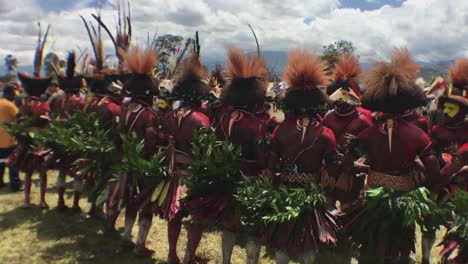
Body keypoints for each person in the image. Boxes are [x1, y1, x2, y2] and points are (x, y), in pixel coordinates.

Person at [342, 49, 443, 264]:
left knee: (371, 244)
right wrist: (418, 179)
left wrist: (367, 171)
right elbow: (434, 171)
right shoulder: (417, 134)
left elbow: (347, 163)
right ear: (407, 102)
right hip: (404, 199)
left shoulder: (367, 134)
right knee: (400, 248)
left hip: (372, 197)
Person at [265, 49, 340, 264]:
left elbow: (270, 165)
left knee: (282, 238)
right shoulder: (326, 133)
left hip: (284, 192)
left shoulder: (281, 130)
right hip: (312, 194)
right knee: (308, 239)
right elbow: (333, 170)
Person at [214, 46, 270, 264]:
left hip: (225, 177)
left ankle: (225, 261)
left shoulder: (222, 117)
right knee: (253, 227)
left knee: (229, 223)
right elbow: (260, 158)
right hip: (249, 180)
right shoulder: (255, 124)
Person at [159, 54, 211, 264]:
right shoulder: (202, 120)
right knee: (197, 219)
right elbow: (206, 154)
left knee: (175, 216)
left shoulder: (169, 117)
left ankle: (172, 254)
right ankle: (189, 257)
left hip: (173, 175)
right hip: (194, 177)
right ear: (200, 97)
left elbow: (163, 144)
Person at [117, 46, 161, 257]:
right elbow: (151, 141)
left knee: (130, 200)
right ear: (148, 94)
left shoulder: (126, 109)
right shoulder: (148, 114)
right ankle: (139, 244)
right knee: (145, 204)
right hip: (144, 163)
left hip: (128, 160)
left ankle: (126, 236)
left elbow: (120, 133)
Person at [322, 53, 373, 208]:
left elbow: (370, 147)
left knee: (348, 208)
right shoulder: (328, 118)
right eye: (339, 97)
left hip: (352, 173)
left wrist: (357, 163)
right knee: (327, 207)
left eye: (346, 96)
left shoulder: (363, 119)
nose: (342, 101)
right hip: (330, 171)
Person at [0, 84, 21, 191]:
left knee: (1, 162)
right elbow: (18, 119)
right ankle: (15, 184)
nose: (15, 95)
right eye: (13, 92)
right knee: (13, 162)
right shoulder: (10, 105)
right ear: (8, 93)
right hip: (9, 139)